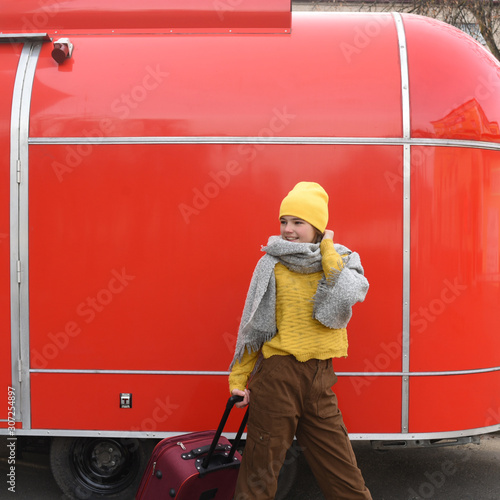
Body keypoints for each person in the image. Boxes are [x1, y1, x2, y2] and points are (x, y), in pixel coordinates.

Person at [229, 181, 372, 500]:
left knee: (344, 476)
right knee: (259, 478)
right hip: (277, 377)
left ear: (318, 227)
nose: (288, 230)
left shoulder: (341, 260)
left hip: (320, 379)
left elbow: (349, 293)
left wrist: (328, 256)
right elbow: (252, 328)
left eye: (298, 222)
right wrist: (238, 379)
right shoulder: (271, 264)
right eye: (284, 221)